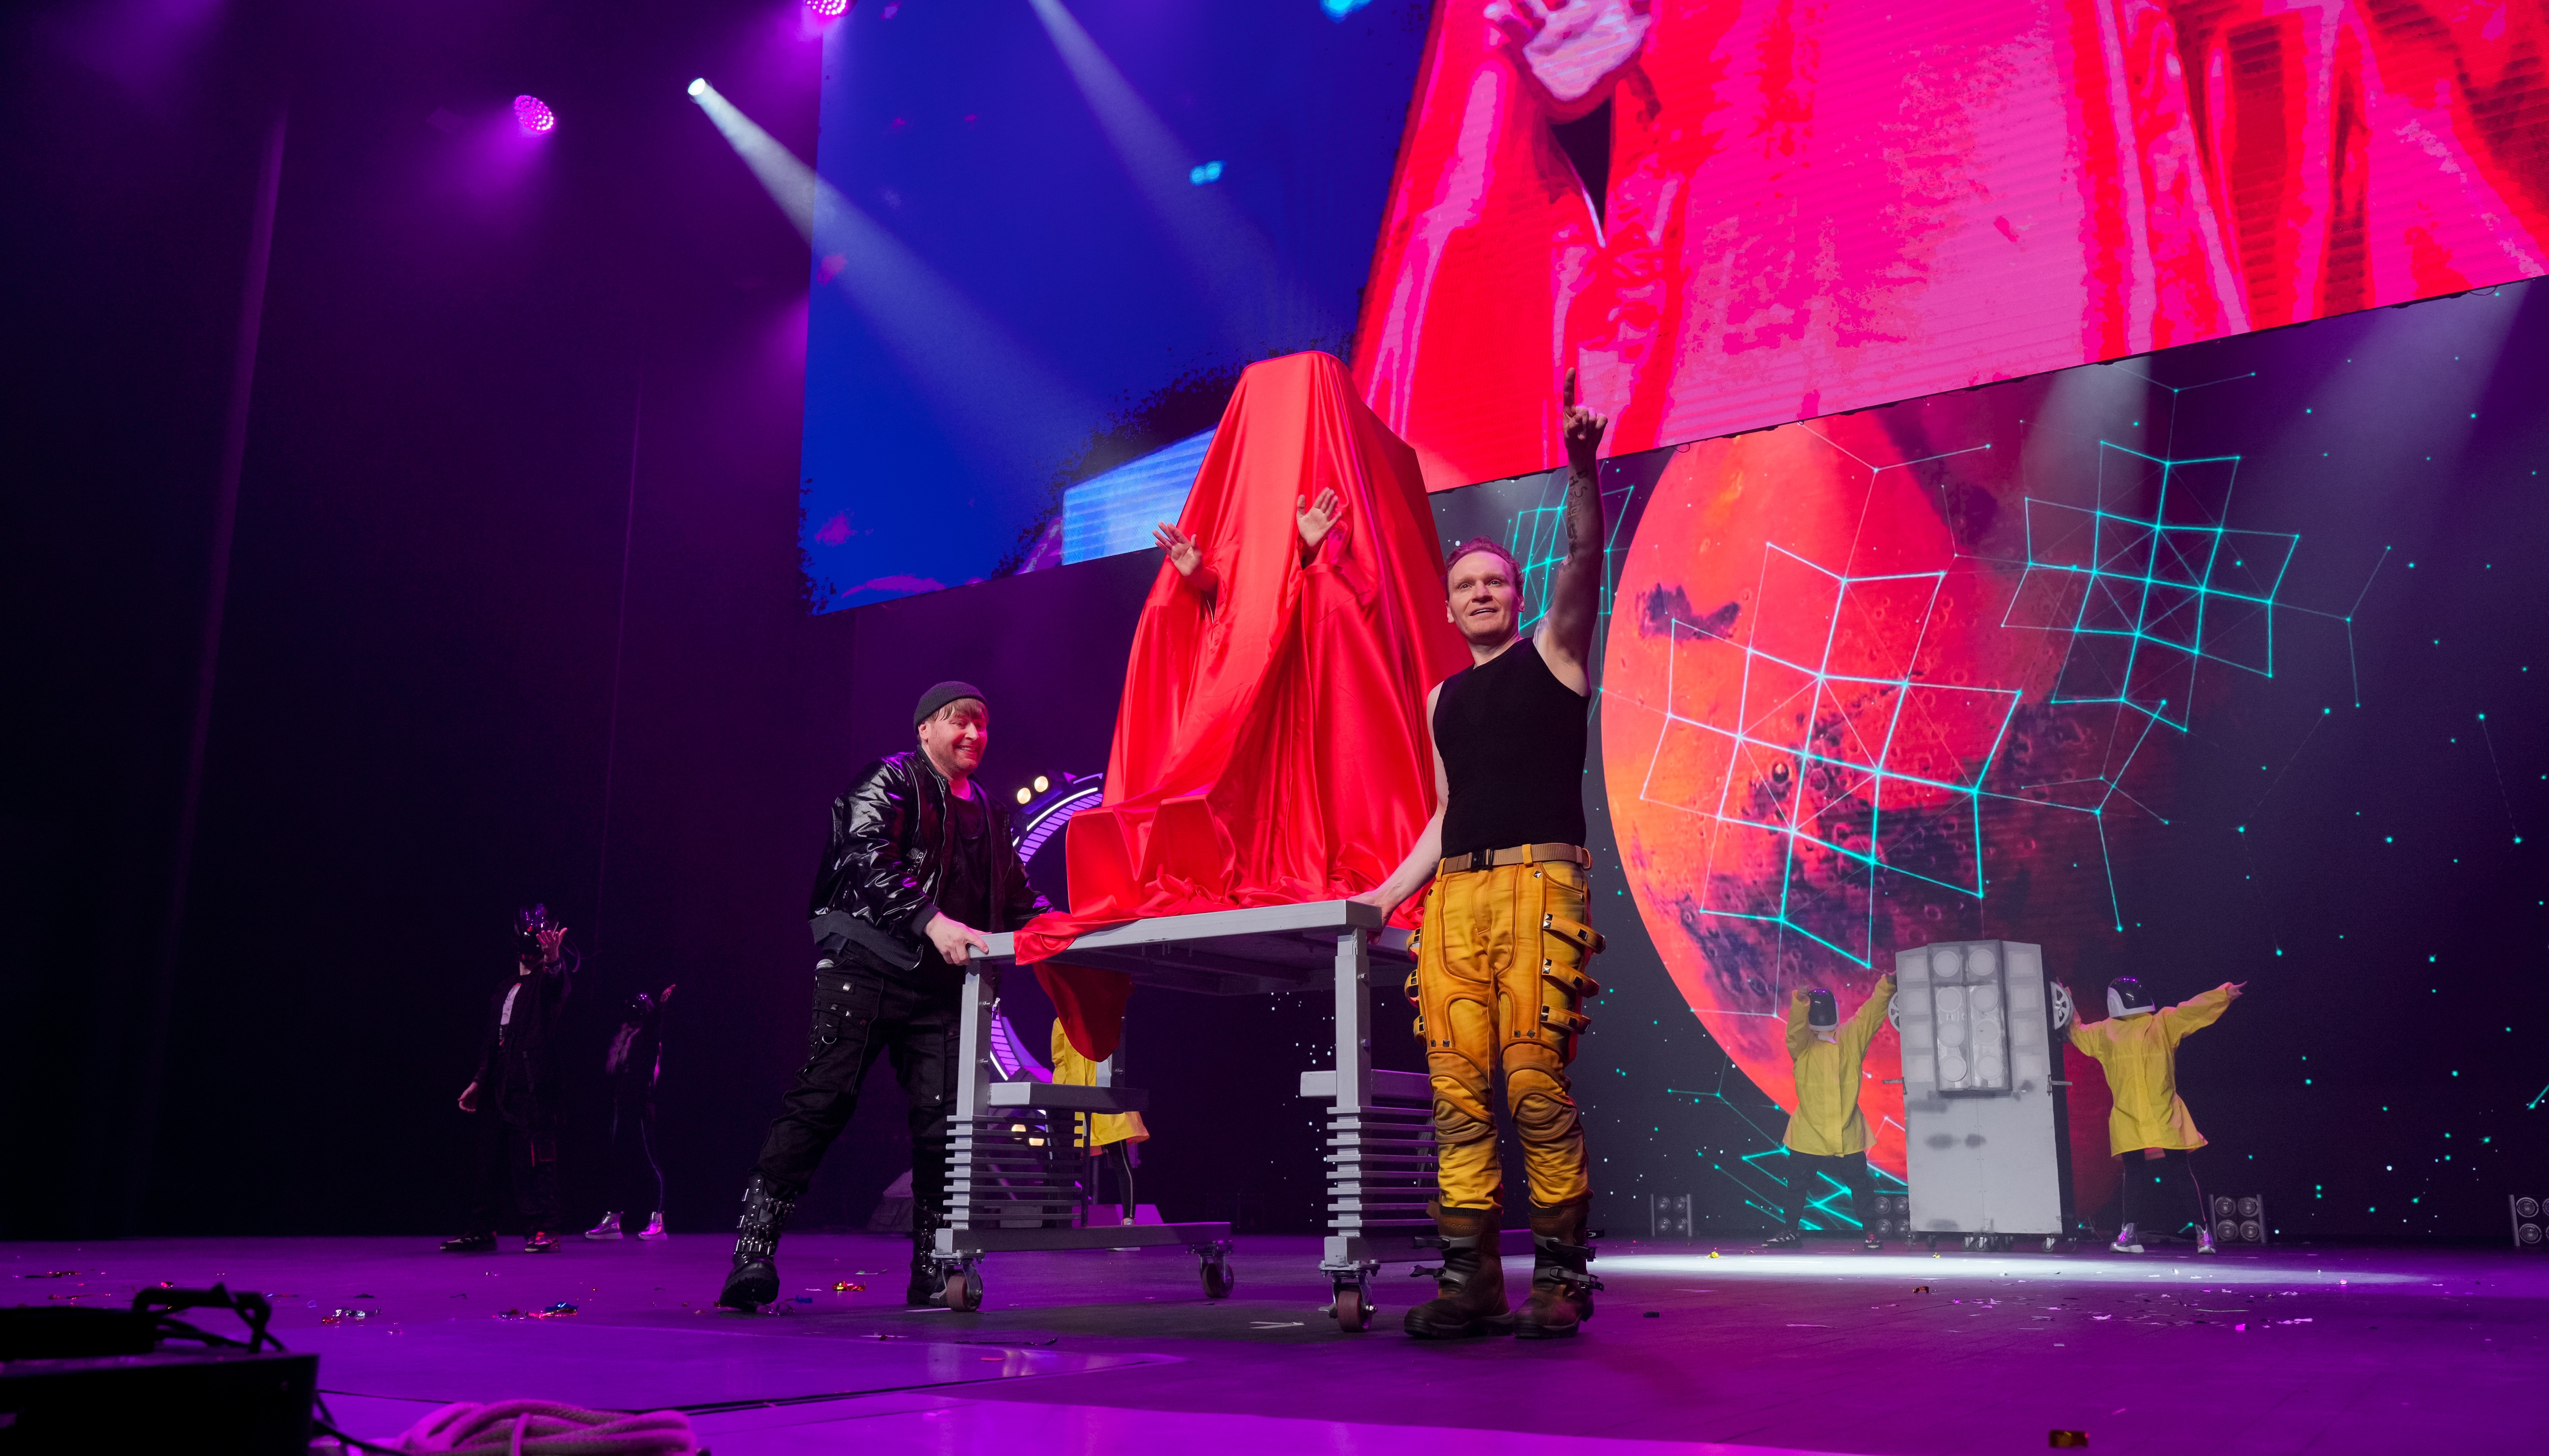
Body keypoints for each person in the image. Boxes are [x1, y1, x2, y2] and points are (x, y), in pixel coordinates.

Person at [1352, 369, 1610, 1340]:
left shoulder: (1556, 655)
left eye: (1494, 581)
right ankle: (1472, 1280)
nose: (1480, 594)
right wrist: (1385, 896)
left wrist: (1581, 469)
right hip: (1455, 905)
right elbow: (1445, 812)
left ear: (1517, 593)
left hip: (1541, 888)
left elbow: (1585, 554)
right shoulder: (1441, 699)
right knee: (1458, 1096)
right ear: (1450, 608)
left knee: (1534, 1084)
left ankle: (1561, 1276)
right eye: (1465, 586)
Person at [716, 683, 1052, 1311]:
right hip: (866, 967)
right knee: (822, 1102)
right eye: (959, 721)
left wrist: (1070, 927)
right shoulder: (889, 779)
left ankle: (933, 1265)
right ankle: (753, 1250)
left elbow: (1017, 896)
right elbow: (865, 857)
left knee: (944, 1126)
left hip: (942, 987)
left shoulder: (989, 810)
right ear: (925, 729)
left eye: (981, 724)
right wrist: (931, 921)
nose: (973, 734)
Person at [2066, 975, 2245, 1254]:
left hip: (2163, 1110)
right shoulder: (2106, 1031)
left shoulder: (2162, 1022)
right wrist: (2067, 1001)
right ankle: (2130, 1233)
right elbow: (2077, 1032)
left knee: (2179, 1171)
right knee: (2134, 1173)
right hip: (2129, 1113)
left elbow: (2191, 1010)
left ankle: (2203, 1232)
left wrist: (2223, 994)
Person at [442, 905, 575, 1255]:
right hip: (499, 1085)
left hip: (531, 1088)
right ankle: (481, 1230)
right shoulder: (507, 986)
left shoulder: (544, 983)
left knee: (535, 1160)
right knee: (488, 1160)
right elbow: (493, 1039)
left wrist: (554, 960)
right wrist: (478, 1081)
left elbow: (556, 984)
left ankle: (544, 1229)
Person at [1766, 978, 1894, 1251]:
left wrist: (1887, 985)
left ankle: (1871, 1231)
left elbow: (1871, 1013)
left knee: (1859, 1183)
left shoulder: (1850, 1036)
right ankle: (1790, 1230)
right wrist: (1800, 1004)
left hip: (1846, 1128)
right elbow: (1795, 1031)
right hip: (1810, 1130)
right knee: (1798, 1183)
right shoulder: (1803, 1045)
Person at [584, 983, 674, 1242]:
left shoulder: (648, 1038)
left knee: (649, 1162)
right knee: (617, 1162)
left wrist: (662, 1006)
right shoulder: (624, 1038)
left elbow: (655, 1026)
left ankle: (657, 1221)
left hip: (639, 1107)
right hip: (621, 1107)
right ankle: (613, 1220)